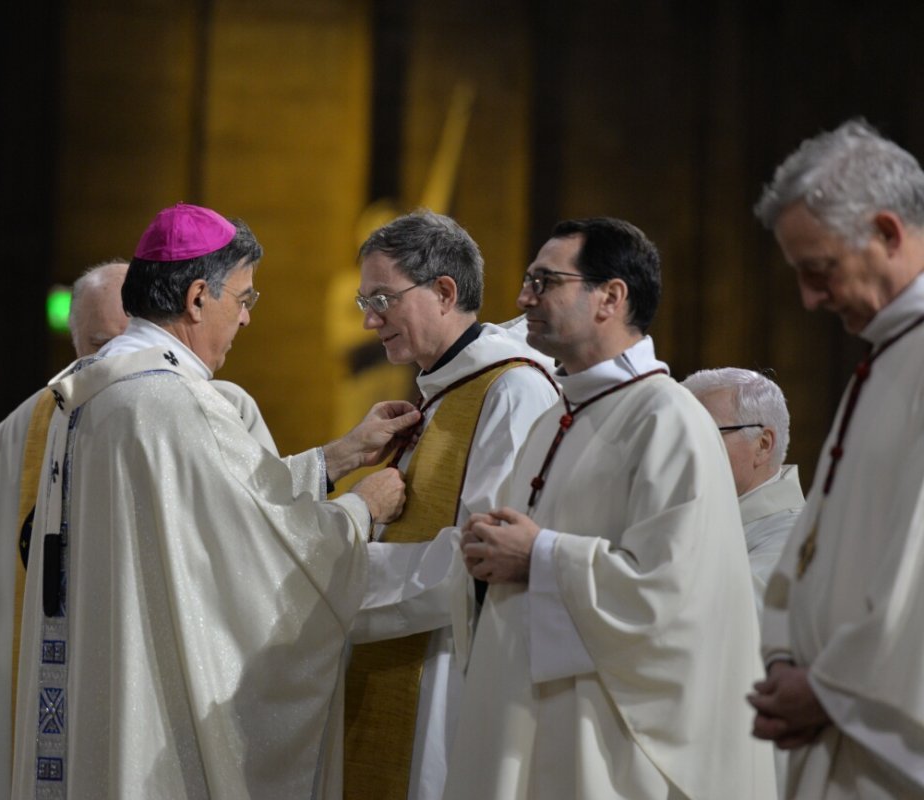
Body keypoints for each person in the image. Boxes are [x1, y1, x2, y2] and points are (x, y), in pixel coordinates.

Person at [0, 203, 419, 799]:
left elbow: (226, 503)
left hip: (74, 705)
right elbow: (262, 558)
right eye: (244, 298)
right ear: (198, 298)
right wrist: (361, 513)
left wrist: (340, 457)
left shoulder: (76, 402)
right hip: (150, 711)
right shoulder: (180, 404)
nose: (247, 319)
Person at [0, 258, 283, 798]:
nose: (114, 365)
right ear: (76, 346)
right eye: (98, 348)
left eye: (126, 343)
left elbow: (266, 542)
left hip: (164, 696)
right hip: (45, 708)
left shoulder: (217, 410)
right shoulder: (31, 427)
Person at [443, 217, 777, 798]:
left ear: (611, 297)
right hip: (527, 715)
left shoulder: (669, 420)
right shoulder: (557, 416)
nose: (524, 299)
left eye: (545, 281)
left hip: (603, 742)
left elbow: (675, 600)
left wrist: (539, 556)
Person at [344, 210, 559, 800]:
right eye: (365, 300)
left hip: (450, 672)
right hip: (405, 654)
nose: (368, 319)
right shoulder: (446, 391)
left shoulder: (513, 390)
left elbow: (479, 559)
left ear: (444, 291)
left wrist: (341, 578)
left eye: (382, 298)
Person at [749, 119, 924, 798]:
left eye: (819, 271)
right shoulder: (891, 351)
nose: (809, 299)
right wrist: (787, 652)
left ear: (886, 232)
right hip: (839, 721)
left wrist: (827, 689)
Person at [682, 367, 803, 615]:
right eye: (680, 434)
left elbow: (735, 618)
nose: (685, 449)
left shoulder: (793, 537)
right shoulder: (691, 515)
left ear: (763, 444)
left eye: (705, 432)